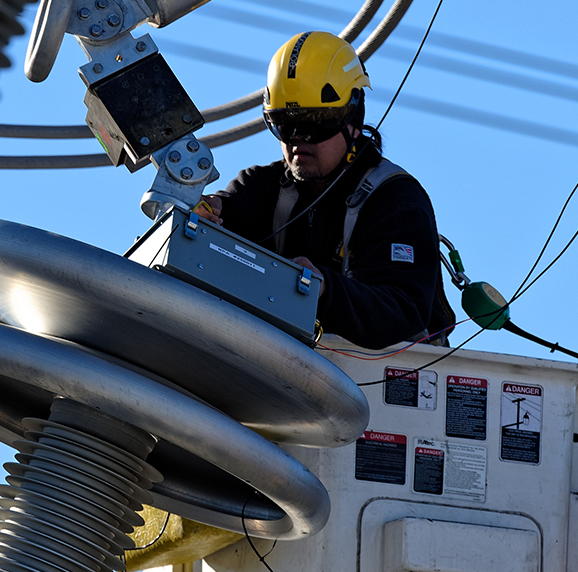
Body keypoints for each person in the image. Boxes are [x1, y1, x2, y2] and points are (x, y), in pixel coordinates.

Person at [195, 31, 456, 350]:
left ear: (353, 120)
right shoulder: (263, 188)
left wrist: (323, 290)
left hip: (386, 383)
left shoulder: (395, 201)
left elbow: (402, 312)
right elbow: (226, 213)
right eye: (283, 124)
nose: (296, 139)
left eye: (315, 123)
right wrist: (207, 212)